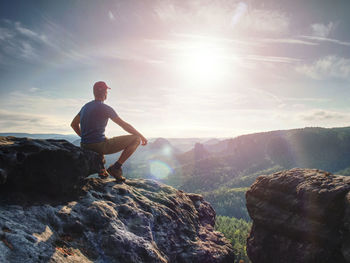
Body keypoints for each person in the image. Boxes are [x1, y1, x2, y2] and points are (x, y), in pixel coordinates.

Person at [70, 81, 147, 182]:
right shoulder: (105, 108)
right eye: (106, 91)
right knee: (136, 139)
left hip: (84, 144)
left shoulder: (85, 107)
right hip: (98, 145)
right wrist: (141, 136)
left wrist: (84, 137)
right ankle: (116, 168)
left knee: (104, 139)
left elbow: (73, 124)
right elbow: (124, 125)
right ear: (105, 93)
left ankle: (101, 169)